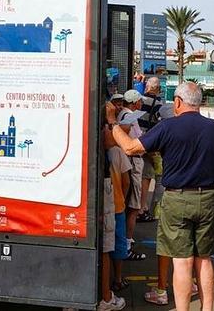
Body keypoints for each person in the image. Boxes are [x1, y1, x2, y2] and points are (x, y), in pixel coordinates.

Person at [106, 82, 214, 311]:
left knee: (182, 261)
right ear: (199, 102)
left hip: (178, 199)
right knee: (204, 258)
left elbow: (132, 148)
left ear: (179, 102)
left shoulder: (168, 127)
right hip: (208, 198)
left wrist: (113, 124)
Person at [98, 127, 126, 311]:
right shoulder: (114, 150)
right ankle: (106, 297)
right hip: (112, 202)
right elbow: (127, 180)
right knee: (109, 247)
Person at [118, 89, 146, 261]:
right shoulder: (129, 117)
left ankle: (125, 242)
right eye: (139, 101)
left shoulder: (122, 113)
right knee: (134, 206)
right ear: (135, 102)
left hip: (128, 161)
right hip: (133, 161)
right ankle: (126, 245)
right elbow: (136, 139)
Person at [138, 77, 164, 222]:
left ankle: (141, 207)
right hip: (151, 145)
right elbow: (160, 121)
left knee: (144, 176)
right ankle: (153, 210)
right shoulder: (157, 104)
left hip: (138, 141)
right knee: (159, 177)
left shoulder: (139, 100)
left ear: (147, 87)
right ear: (158, 88)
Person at [107, 141, 132, 292]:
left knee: (105, 247)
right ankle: (117, 278)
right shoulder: (117, 151)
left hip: (100, 208)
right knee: (118, 244)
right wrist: (122, 197)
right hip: (117, 205)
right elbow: (127, 181)